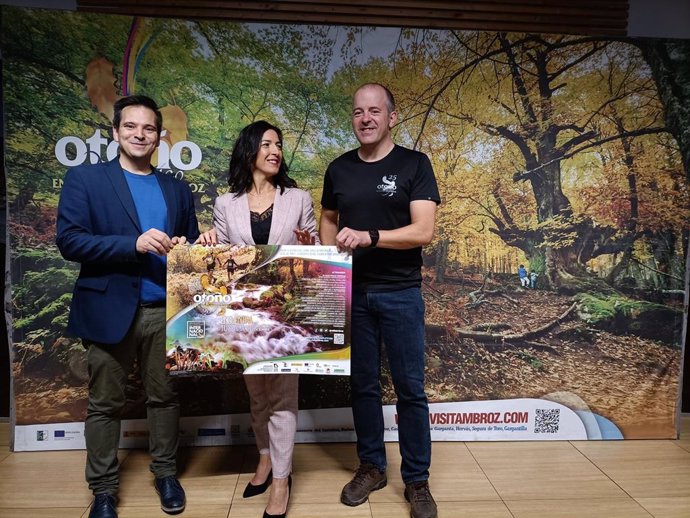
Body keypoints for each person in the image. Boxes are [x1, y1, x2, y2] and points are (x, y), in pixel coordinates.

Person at [56, 95, 199, 518]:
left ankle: (166, 474)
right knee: (104, 403)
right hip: (108, 308)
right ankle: (102, 490)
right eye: (131, 127)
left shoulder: (176, 187)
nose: (140, 134)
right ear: (116, 132)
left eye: (149, 128)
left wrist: (194, 246)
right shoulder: (86, 179)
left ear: (160, 136)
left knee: (165, 397)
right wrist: (131, 245)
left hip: (165, 309)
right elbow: (70, 241)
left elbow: (187, 246)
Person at [319, 83, 440, 518]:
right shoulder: (339, 169)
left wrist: (371, 237)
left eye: (374, 111)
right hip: (353, 293)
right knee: (363, 387)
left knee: (410, 389)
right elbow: (330, 220)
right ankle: (371, 466)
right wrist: (325, 256)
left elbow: (423, 231)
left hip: (401, 294)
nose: (365, 118)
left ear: (391, 116)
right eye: (357, 112)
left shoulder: (414, 163)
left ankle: (417, 480)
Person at [196, 120, 318, 518]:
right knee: (257, 395)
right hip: (244, 315)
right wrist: (209, 243)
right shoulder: (224, 203)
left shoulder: (298, 198)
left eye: (279, 145)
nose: (275, 150)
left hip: (285, 310)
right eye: (266, 144)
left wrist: (310, 245)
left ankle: (281, 480)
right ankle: (264, 458)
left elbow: (316, 250)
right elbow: (220, 257)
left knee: (283, 396)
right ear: (249, 150)